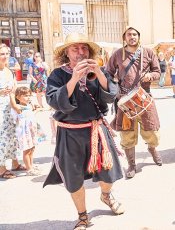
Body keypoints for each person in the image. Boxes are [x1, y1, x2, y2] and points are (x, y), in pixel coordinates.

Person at [43, 33, 124, 229]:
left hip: (97, 130)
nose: (81, 52)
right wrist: (74, 78)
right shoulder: (57, 75)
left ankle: (106, 195)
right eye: (75, 49)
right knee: (74, 177)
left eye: (84, 48)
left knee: (108, 173)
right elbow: (53, 101)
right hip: (70, 134)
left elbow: (111, 95)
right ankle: (82, 216)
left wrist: (99, 72)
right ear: (66, 53)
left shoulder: (98, 71)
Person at [106, 27, 162, 179]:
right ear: (124, 37)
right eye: (129, 34)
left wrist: (150, 75)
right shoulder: (117, 54)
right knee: (127, 133)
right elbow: (108, 73)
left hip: (144, 97)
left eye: (135, 34)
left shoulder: (148, 52)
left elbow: (158, 72)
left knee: (152, 130)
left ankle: (152, 149)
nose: (132, 37)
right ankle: (131, 164)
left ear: (139, 36)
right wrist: (114, 89)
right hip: (124, 99)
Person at [0, 44, 26, 179]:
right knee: (2, 138)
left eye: (6, 54)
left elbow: (14, 88)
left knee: (13, 135)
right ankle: (1, 168)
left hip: (9, 108)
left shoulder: (8, 71)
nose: (4, 57)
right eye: (1, 54)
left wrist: (19, 102)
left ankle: (15, 163)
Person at [11, 86, 45, 176]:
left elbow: (31, 115)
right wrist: (11, 94)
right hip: (24, 133)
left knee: (32, 149)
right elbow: (15, 109)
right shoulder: (18, 107)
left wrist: (37, 109)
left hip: (31, 131)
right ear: (18, 97)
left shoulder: (28, 106)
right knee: (27, 151)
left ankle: (31, 166)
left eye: (29, 95)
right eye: (25, 96)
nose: (28, 97)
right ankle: (29, 169)